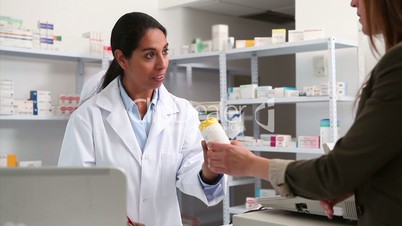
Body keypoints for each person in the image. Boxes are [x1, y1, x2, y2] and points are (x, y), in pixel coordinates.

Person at [203, 0, 402, 225]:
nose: (353, 2)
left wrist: (251, 164)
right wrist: (359, 187)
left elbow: (335, 171)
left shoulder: (397, 63)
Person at [58, 12, 226, 226]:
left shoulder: (182, 112)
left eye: (165, 52)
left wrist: (209, 171)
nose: (162, 63)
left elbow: (190, 173)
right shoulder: (88, 117)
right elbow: (74, 190)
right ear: (122, 59)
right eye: (149, 55)